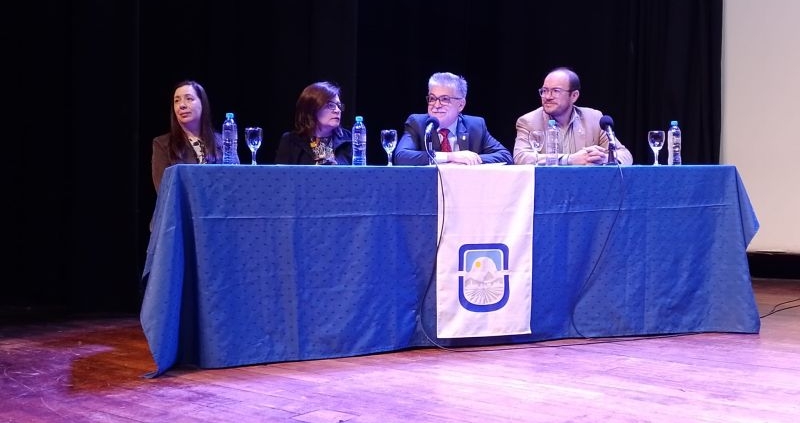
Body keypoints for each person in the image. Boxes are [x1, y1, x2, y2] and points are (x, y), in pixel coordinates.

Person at [514, 67, 633, 165]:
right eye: (544, 91)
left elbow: (625, 155)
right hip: (548, 185)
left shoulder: (594, 118)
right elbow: (521, 157)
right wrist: (570, 159)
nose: (548, 97)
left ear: (574, 96)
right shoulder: (528, 122)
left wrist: (605, 159)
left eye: (555, 91)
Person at [393, 72, 512, 166]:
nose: (436, 105)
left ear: (461, 105)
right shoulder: (417, 123)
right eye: (432, 98)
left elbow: (505, 156)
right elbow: (401, 156)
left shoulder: (475, 126)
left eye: (444, 99)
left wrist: (469, 159)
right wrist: (450, 157)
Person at [151, 80, 236, 193]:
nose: (182, 105)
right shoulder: (163, 144)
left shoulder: (223, 142)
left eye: (189, 99)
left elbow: (235, 181)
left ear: (202, 104)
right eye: (177, 101)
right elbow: (163, 190)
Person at [275, 81, 352, 165]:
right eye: (330, 105)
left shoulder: (350, 139)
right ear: (312, 108)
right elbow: (281, 173)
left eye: (339, 105)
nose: (337, 110)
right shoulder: (291, 141)